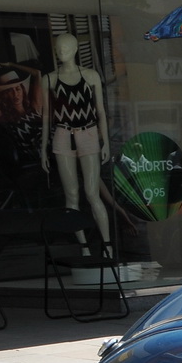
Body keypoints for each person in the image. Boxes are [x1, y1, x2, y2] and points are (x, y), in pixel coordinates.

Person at [41, 32, 114, 247]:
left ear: (74, 50)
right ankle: (84, 248)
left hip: (88, 133)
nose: (60, 52)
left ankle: (107, 245)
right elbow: (46, 115)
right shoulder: (49, 79)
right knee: (71, 194)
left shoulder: (91, 76)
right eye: (58, 48)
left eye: (65, 48)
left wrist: (105, 141)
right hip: (62, 134)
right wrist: (43, 147)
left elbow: (100, 110)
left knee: (92, 193)